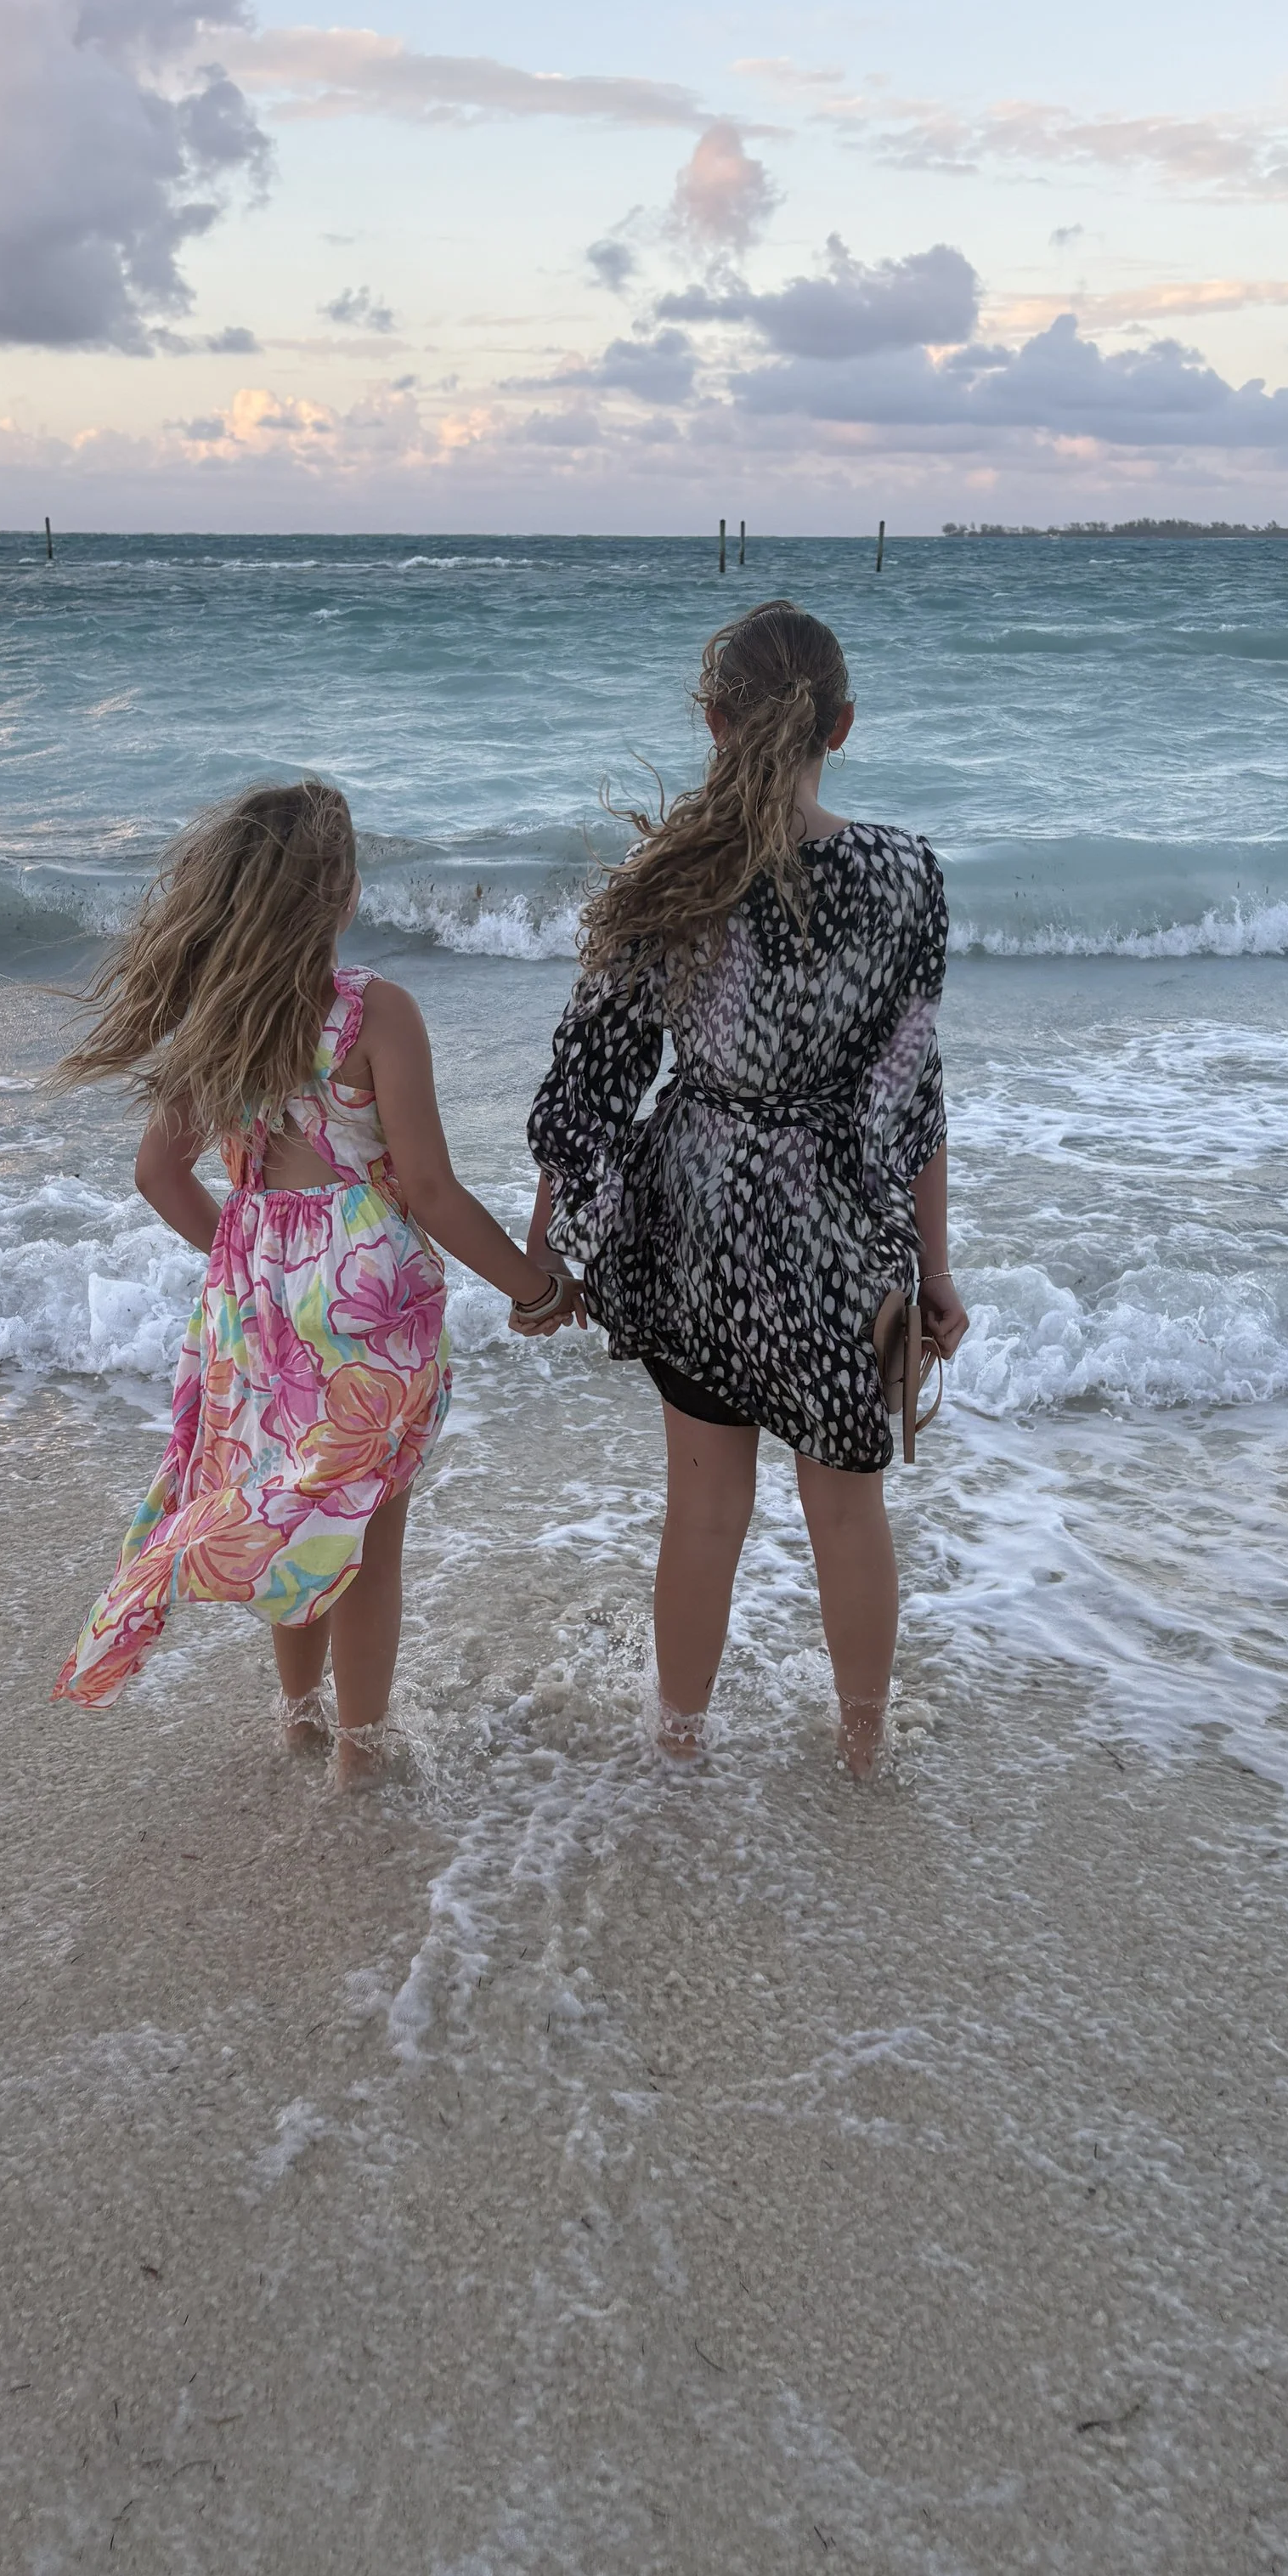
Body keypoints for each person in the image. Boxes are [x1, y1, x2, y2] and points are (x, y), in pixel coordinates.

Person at [50, 779, 577, 1785]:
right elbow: (426, 1186)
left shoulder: (216, 1020)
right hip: (366, 1296)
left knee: (284, 1507)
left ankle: (296, 1718)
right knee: (368, 1526)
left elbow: (158, 1174)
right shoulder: (375, 1012)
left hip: (255, 1297)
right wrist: (535, 1287)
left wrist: (246, 1262)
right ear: (337, 894)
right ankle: (357, 1751)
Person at [526, 602, 965, 1777]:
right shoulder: (905, 876)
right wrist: (935, 1270)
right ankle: (863, 1752)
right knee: (848, 1509)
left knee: (706, 1508)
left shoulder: (673, 872)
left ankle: (679, 1746)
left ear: (713, 723)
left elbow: (593, 1079)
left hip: (699, 1216)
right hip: (831, 1227)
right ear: (846, 726)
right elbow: (909, 1092)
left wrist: (544, 1252)